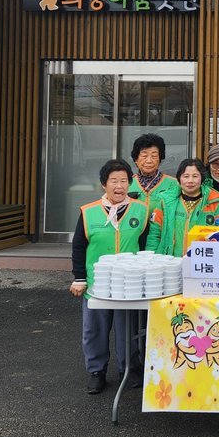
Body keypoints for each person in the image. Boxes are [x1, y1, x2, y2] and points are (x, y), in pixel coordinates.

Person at [69, 159, 150, 395]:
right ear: (104, 184)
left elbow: (146, 246)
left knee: (129, 330)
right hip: (97, 284)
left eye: (124, 181)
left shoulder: (141, 210)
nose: (119, 186)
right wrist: (80, 278)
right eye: (114, 181)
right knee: (94, 329)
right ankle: (97, 371)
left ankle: (129, 368)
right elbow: (79, 246)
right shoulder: (89, 212)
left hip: (129, 284)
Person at [148, 158, 219, 256]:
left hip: (202, 261)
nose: (190, 181)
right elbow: (154, 234)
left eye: (195, 176)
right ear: (179, 178)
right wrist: (150, 258)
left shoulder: (215, 203)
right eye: (186, 176)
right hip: (170, 261)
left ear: (202, 178)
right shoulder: (165, 203)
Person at [127, 133, 180, 206]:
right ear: (136, 159)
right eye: (144, 156)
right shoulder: (127, 183)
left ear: (160, 159)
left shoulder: (174, 184)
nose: (149, 161)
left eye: (154, 156)